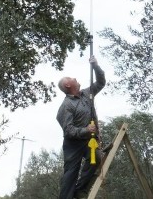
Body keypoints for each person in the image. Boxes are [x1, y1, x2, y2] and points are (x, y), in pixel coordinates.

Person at [56, 55, 105, 199]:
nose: (75, 78)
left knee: (95, 157)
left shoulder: (87, 94)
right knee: (71, 173)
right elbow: (68, 130)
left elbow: (101, 82)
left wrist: (95, 66)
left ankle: (80, 189)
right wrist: (86, 130)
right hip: (73, 144)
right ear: (68, 85)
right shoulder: (66, 106)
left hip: (88, 140)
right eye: (71, 78)